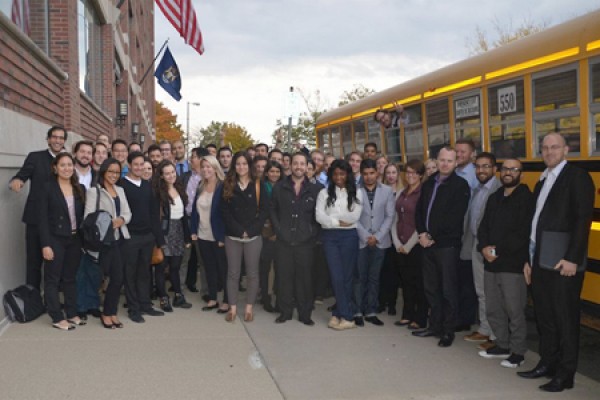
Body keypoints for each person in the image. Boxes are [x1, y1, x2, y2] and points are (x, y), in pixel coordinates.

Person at [518, 133, 595, 392]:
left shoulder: (578, 177)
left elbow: (582, 220)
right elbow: (535, 224)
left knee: (565, 318)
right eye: (545, 148)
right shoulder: (542, 181)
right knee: (545, 316)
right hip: (540, 258)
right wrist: (528, 260)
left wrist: (573, 258)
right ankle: (547, 363)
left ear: (566, 150)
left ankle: (566, 374)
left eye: (555, 147)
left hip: (564, 261)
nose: (549, 152)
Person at [477, 158, 533, 368]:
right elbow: (483, 227)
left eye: (514, 169)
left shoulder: (526, 199)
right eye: (505, 169)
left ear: (521, 174)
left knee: (514, 309)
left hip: (512, 264)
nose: (508, 173)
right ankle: (502, 345)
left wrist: (496, 250)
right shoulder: (494, 197)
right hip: (490, 263)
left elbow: (522, 233)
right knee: (493, 307)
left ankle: (518, 352)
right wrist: (483, 247)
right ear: (500, 172)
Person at [413, 146, 470, 347]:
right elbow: (419, 211)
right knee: (431, 288)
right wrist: (421, 233)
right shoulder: (429, 183)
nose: (445, 164)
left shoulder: (460, 185)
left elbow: (455, 218)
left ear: (456, 163)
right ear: (436, 161)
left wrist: (432, 236)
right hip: (426, 244)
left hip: (446, 246)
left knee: (448, 290)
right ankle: (434, 326)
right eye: (442, 160)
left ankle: (447, 331)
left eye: (449, 161)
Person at [10, 125, 66, 291]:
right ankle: (33, 299)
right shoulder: (35, 157)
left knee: (57, 262)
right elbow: (23, 174)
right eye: (54, 137)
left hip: (58, 221)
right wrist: (17, 180)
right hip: (35, 218)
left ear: (64, 141)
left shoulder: (67, 161)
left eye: (61, 138)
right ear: (48, 139)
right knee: (34, 261)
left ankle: (54, 300)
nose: (57, 140)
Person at [271, 152, 322, 325]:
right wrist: (278, 229)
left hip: (305, 243)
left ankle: (304, 314)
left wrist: (311, 232)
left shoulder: (316, 190)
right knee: (284, 278)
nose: (299, 167)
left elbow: (318, 216)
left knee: (305, 280)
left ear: (307, 167)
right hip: (284, 241)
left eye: (302, 164)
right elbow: (273, 211)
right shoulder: (280, 187)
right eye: (296, 163)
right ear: (291, 165)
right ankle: (285, 312)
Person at [39, 153, 86, 330]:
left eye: (69, 165)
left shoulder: (79, 187)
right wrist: (45, 244)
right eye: (62, 165)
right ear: (55, 168)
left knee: (70, 278)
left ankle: (72, 313)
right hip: (54, 239)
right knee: (52, 279)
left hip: (74, 239)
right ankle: (57, 316)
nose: (67, 168)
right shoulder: (47, 188)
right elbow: (42, 219)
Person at [220, 152, 269, 322]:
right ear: (234, 166)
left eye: (244, 164)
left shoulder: (258, 184)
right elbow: (224, 211)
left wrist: (251, 230)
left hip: (253, 237)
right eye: (238, 164)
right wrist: (239, 230)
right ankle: (232, 308)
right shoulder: (228, 184)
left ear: (250, 166)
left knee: (252, 273)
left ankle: (249, 307)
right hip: (233, 236)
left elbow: (263, 211)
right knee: (233, 273)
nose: (241, 167)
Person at [316, 159, 363, 331]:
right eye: (335, 174)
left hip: (349, 237)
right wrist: (337, 221)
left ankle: (340, 314)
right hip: (330, 238)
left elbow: (354, 217)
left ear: (347, 174)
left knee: (347, 277)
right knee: (336, 276)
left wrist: (332, 221)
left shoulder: (357, 192)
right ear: (331, 175)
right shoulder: (324, 193)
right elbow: (319, 217)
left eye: (342, 173)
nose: (338, 177)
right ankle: (346, 314)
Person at [461, 153, 502, 346]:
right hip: (477, 245)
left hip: (491, 248)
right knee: (481, 290)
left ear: (494, 169)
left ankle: (496, 335)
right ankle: (485, 329)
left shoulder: (499, 189)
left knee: (493, 291)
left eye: (486, 166)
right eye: (478, 167)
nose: (481, 170)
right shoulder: (478, 189)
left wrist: (491, 249)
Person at [119, 152, 165, 323]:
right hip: (130, 237)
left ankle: (145, 304)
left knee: (144, 272)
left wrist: (158, 239)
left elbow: (154, 215)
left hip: (148, 237)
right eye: (136, 164)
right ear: (129, 165)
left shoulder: (148, 186)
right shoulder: (122, 186)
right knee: (130, 273)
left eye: (142, 164)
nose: (139, 168)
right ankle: (133, 308)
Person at [85, 158, 131, 329]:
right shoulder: (94, 192)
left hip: (119, 238)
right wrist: (106, 223)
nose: (114, 175)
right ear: (103, 171)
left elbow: (128, 212)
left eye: (117, 172)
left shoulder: (120, 190)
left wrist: (121, 220)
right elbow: (88, 218)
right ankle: (103, 312)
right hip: (103, 242)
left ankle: (110, 312)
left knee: (118, 278)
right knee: (102, 278)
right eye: (111, 171)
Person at [354, 159, 395, 326]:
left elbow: (389, 216)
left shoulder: (386, 191)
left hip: (380, 241)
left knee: (374, 277)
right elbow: (353, 216)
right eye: (365, 174)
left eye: (372, 173)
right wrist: (365, 235)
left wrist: (377, 236)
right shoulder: (355, 191)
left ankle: (371, 310)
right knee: (359, 277)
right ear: (362, 174)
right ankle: (357, 310)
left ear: (377, 173)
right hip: (360, 240)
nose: (369, 177)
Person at [391, 160, 428, 330]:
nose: (410, 175)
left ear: (421, 175)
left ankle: (419, 318)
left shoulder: (423, 193)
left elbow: (421, 222)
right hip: (400, 244)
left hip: (416, 245)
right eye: (408, 172)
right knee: (405, 282)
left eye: (414, 172)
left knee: (418, 282)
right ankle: (407, 314)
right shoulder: (400, 193)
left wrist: (409, 245)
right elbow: (395, 219)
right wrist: (398, 242)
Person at [190, 156, 229, 313]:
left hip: (218, 236)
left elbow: (226, 213)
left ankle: (226, 301)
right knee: (208, 268)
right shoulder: (201, 185)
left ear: (215, 168)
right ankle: (212, 298)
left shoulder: (223, 186)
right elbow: (194, 211)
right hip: (202, 234)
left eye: (209, 167)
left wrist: (222, 236)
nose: (206, 170)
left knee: (223, 269)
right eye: (203, 167)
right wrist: (193, 231)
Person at [153, 160, 193, 311]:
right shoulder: (157, 192)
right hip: (164, 232)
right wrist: (159, 238)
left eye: (172, 172)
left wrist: (187, 237)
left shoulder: (179, 188)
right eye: (167, 173)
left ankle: (178, 296)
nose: (171, 176)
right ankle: (163, 297)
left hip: (179, 231)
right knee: (162, 266)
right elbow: (156, 217)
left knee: (175, 266)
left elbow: (183, 216)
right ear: (162, 176)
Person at [454, 138, 478, 334]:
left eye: (463, 152)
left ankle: (466, 318)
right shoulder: (453, 172)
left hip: (469, 230)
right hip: (456, 229)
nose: (460, 154)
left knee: (466, 276)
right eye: (457, 151)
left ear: (472, 154)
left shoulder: (474, 175)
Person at [378, 162, 405, 315]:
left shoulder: (403, 191)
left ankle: (392, 303)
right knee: (382, 271)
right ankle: (382, 301)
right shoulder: (380, 191)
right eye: (388, 172)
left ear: (398, 174)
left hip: (397, 236)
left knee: (393, 272)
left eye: (394, 172)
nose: (391, 175)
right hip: (383, 235)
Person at [258, 160, 283, 313]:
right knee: (264, 266)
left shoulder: (284, 188)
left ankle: (277, 296)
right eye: (271, 171)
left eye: (277, 172)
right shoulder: (261, 187)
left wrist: (277, 232)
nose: (274, 174)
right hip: (264, 231)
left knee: (279, 267)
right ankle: (265, 296)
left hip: (280, 233)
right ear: (266, 173)